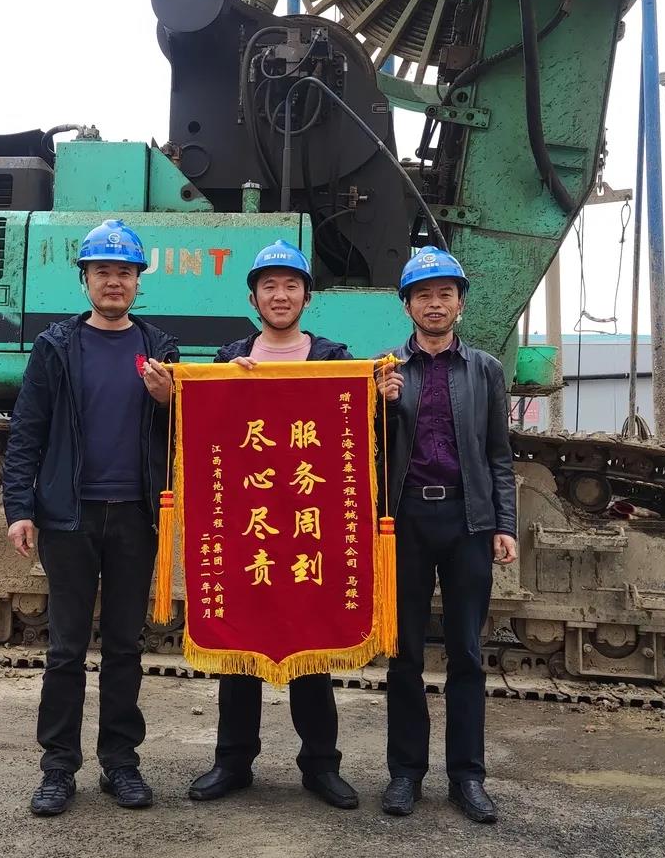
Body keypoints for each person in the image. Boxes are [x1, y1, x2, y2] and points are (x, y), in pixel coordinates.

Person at [3, 219, 178, 817]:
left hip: (135, 518)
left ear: (138, 282)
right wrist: (19, 508)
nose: (113, 282)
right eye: (102, 271)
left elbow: (183, 434)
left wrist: (169, 401)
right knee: (66, 649)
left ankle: (120, 763)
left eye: (124, 272)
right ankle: (58, 768)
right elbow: (27, 430)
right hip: (67, 518)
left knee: (125, 646)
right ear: (85, 279)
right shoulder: (56, 347)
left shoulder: (160, 349)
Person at [188, 240, 359, 810]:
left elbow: (356, 435)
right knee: (240, 646)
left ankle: (321, 766)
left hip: (310, 525)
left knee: (311, 645)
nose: (280, 296)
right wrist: (223, 387)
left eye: (291, 286)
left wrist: (381, 395)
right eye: (269, 286)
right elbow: (203, 434)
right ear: (253, 299)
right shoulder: (229, 358)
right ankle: (232, 762)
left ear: (307, 298)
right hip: (249, 524)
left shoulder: (334, 360)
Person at [375, 248, 516, 824]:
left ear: (460, 303)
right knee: (404, 654)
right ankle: (405, 774)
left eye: (445, 294)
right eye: (423, 295)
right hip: (405, 520)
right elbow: (361, 449)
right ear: (407, 305)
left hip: (467, 521)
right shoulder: (384, 370)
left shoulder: (484, 370)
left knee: (466, 654)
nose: (434, 304)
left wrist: (504, 524)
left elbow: (499, 454)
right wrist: (378, 407)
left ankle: (468, 777)